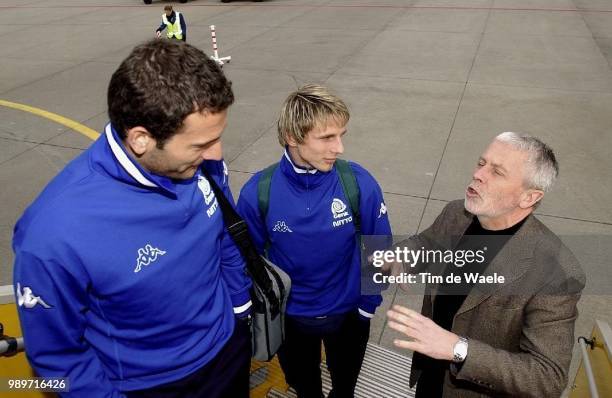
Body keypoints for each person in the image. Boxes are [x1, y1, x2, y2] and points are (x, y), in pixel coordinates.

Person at [13, 39, 252, 397]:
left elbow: (224, 234)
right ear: (141, 139)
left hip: (228, 352)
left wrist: (239, 309)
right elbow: (56, 358)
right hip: (154, 386)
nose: (216, 154)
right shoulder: (52, 235)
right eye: (201, 145)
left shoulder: (202, 166)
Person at [386, 132, 585, 397]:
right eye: (482, 163)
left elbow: (547, 377)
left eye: (497, 172)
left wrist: (458, 348)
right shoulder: (457, 213)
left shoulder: (557, 274)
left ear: (529, 197)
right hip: (429, 373)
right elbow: (427, 244)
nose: (478, 175)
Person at [237, 84, 392, 398]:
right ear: (293, 137)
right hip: (291, 321)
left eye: (341, 135)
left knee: (344, 389)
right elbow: (247, 261)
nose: (339, 148)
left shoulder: (358, 184)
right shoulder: (258, 193)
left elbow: (379, 249)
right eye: (326, 138)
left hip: (349, 317)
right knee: (305, 388)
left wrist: (366, 308)